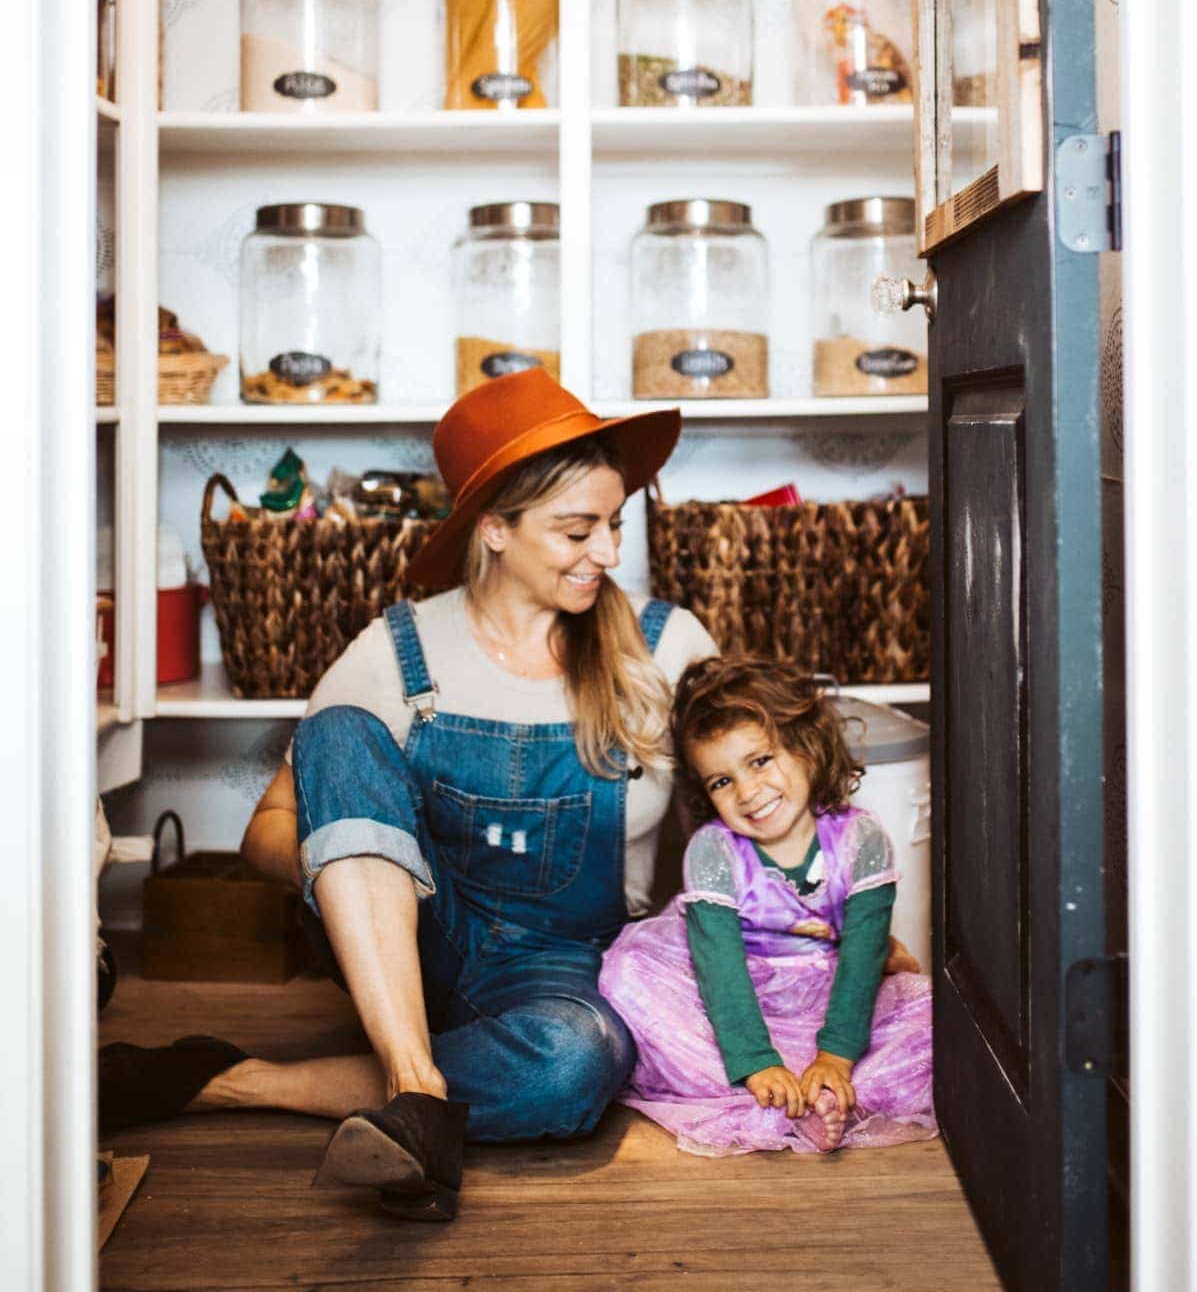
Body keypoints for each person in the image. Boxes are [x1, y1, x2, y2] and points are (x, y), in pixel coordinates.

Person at [98, 370, 717, 1220]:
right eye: (578, 530)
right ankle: (418, 1081)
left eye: (614, 524)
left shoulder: (664, 643)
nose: (608, 553)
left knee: (575, 1065)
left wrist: (810, 909)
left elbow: (739, 808)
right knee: (339, 731)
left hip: (568, 971)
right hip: (418, 947)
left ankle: (244, 1082)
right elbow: (267, 833)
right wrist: (366, 863)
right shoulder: (397, 651)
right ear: (494, 528)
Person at [599, 655, 936, 1157]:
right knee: (627, 977)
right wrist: (757, 1062)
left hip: (824, 983)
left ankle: (828, 1092)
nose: (748, 792)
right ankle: (768, 1092)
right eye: (721, 781)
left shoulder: (861, 838)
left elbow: (862, 960)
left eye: (759, 761)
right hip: (732, 988)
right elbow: (720, 972)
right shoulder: (714, 849)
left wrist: (837, 1057)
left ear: (804, 746)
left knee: (933, 1027)